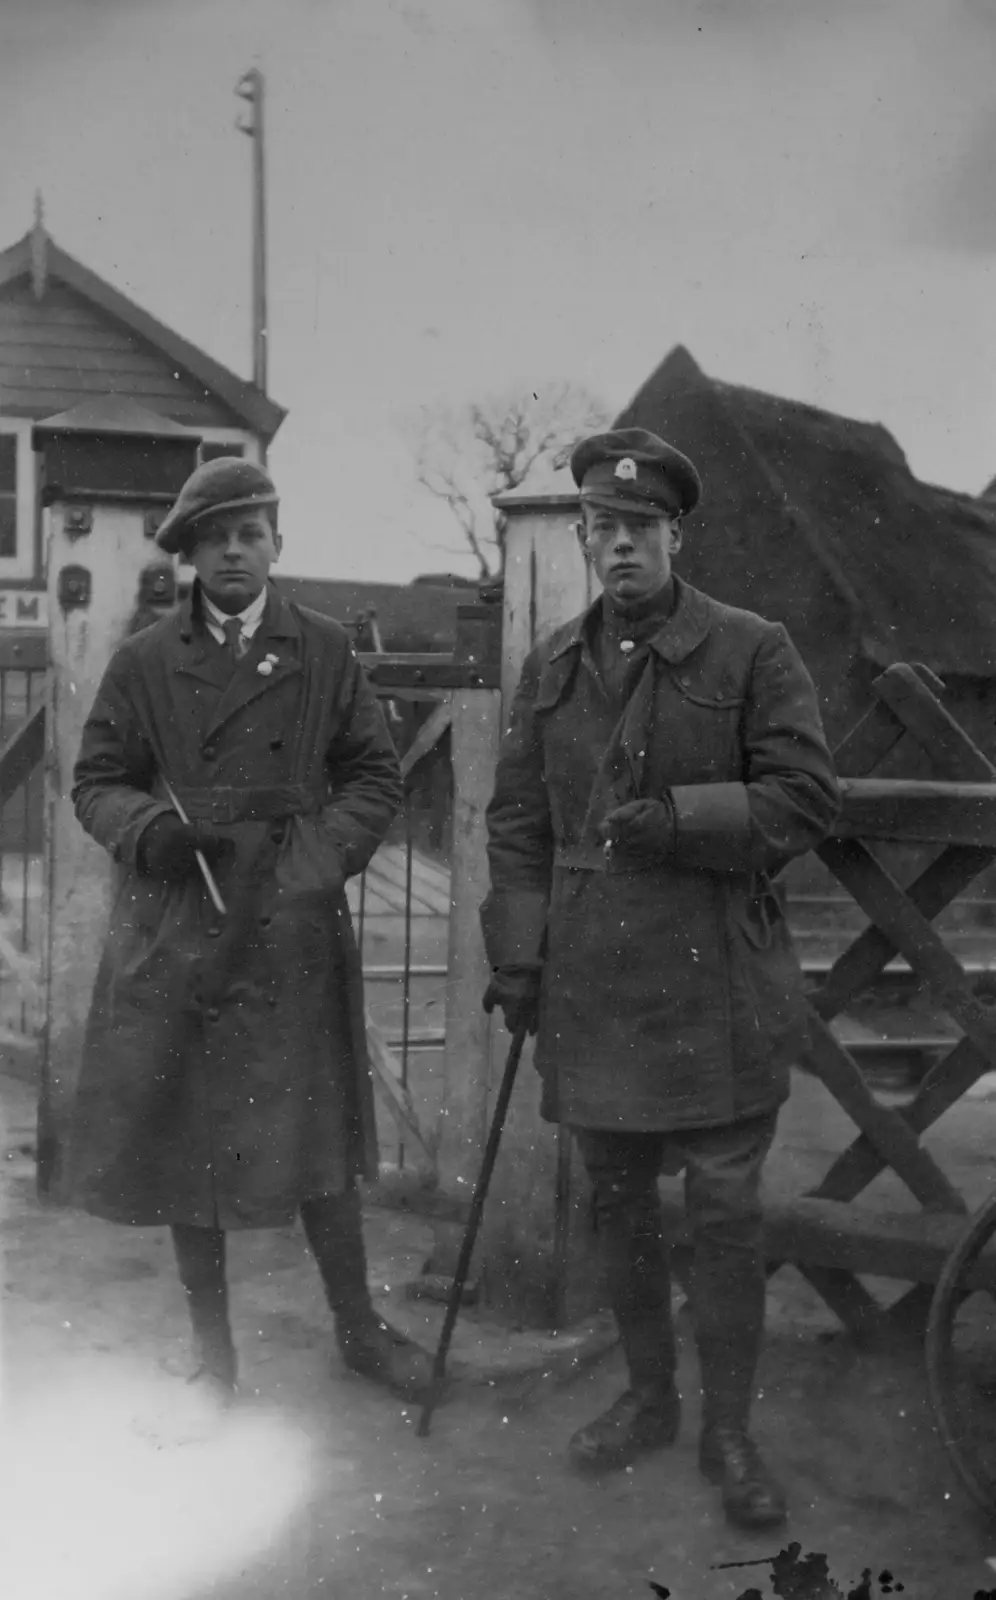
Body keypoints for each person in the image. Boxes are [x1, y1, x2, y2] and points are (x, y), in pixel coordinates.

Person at [481, 428, 840, 1528]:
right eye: (603, 526)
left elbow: (805, 799)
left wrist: (685, 820)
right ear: (583, 535)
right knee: (617, 1200)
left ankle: (729, 1427)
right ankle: (649, 1399)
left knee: (725, 1210)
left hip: (714, 978)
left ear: (676, 534)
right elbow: (518, 822)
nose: (620, 544)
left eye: (641, 527)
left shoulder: (751, 649)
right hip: (594, 984)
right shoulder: (550, 665)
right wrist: (521, 956)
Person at [69, 455, 432, 1409]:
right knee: (194, 1142)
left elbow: (374, 779)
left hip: (290, 925)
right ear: (188, 554)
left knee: (319, 1142)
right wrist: (150, 833)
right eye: (215, 537)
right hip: (182, 919)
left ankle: (359, 1329)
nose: (234, 551)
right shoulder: (145, 661)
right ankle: (212, 1357)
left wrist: (310, 868)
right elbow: (95, 781)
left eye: (251, 532)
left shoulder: (322, 650)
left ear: (278, 543)